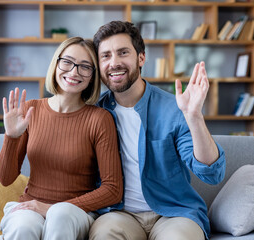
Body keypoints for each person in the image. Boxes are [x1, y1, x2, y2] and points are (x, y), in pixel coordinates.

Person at [89, 21, 226, 240]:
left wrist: (194, 117)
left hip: (174, 214)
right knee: (104, 235)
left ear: (141, 58)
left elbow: (212, 173)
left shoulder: (174, 108)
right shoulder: (94, 113)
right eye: (105, 56)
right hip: (118, 214)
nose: (114, 63)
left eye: (123, 52)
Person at [0, 37, 123, 240]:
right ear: (56, 63)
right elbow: (5, 179)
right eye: (67, 62)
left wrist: (51, 208)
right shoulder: (30, 110)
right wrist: (11, 137)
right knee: (23, 227)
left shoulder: (99, 119)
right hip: (30, 206)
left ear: (92, 76)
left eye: (84, 67)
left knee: (59, 215)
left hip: (74, 213)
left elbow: (112, 190)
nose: (74, 72)